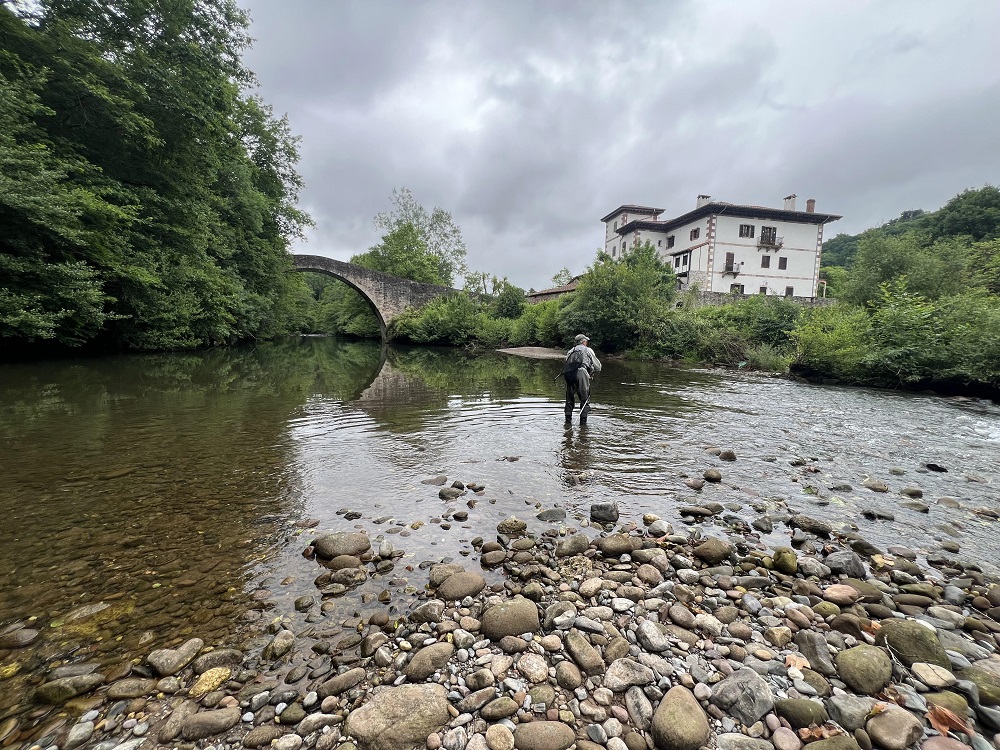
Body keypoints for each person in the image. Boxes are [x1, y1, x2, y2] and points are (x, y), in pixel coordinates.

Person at [563, 333, 601, 425]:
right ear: (583, 342)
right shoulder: (588, 350)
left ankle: (567, 422)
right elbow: (598, 367)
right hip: (582, 373)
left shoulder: (570, 351)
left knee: (569, 398)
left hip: (569, 374)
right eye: (586, 341)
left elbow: (566, 362)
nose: (587, 342)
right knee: (585, 399)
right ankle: (583, 425)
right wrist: (592, 373)